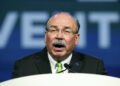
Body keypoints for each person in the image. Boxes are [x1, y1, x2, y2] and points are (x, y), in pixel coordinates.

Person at [12, 12, 107, 78]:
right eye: (53, 30)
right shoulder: (23, 67)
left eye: (66, 31)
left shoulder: (94, 67)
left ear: (76, 39)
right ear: (45, 37)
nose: (59, 36)